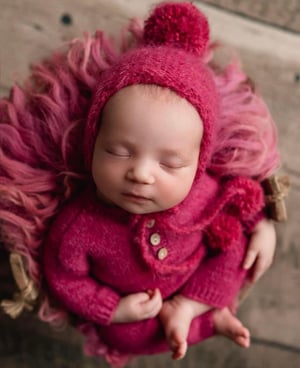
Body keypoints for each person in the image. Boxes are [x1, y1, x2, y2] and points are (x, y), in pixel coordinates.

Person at [0, 2, 279, 367]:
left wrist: (262, 226)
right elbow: (65, 279)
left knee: (238, 250)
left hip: (197, 277)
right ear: (91, 143)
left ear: (199, 163)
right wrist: (114, 309)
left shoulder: (204, 192)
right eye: (117, 151)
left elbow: (241, 198)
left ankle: (193, 308)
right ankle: (204, 322)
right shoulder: (80, 226)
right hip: (137, 309)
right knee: (124, 334)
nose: (141, 174)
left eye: (170, 163)